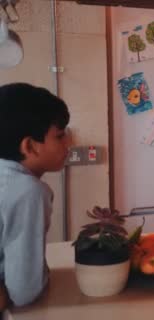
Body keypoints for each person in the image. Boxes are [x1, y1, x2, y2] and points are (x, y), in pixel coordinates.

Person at [0, 83, 71, 309]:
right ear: (29, 146)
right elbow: (24, 290)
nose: (69, 143)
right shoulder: (27, 192)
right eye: (60, 136)